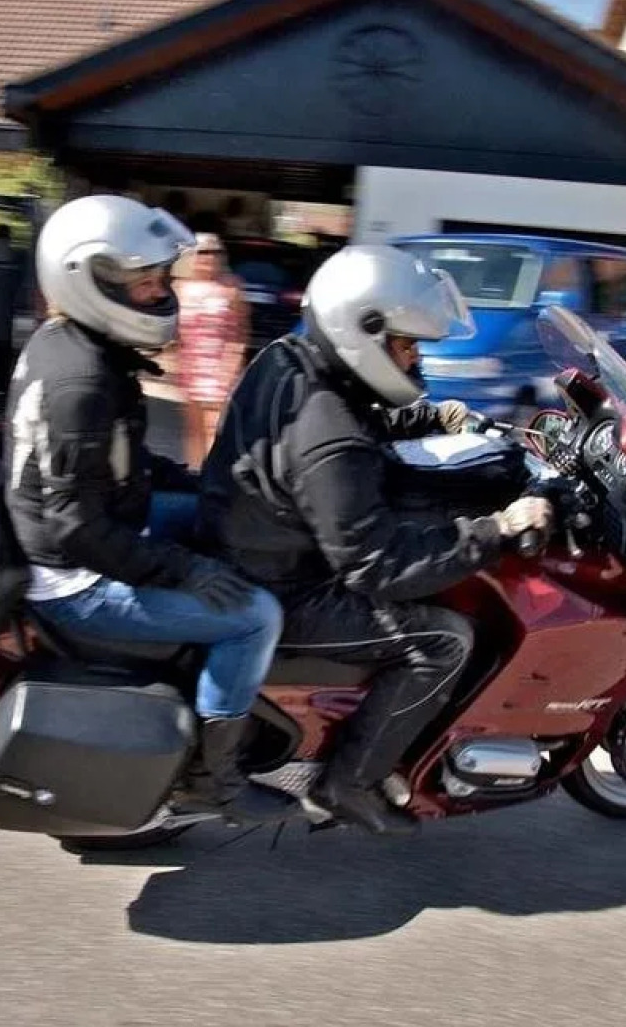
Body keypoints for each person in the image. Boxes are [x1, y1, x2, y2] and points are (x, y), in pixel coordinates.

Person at [196, 244, 553, 837]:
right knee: (445, 638)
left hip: (250, 545)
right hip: (284, 588)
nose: (415, 358)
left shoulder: (288, 358)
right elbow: (379, 566)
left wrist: (424, 418)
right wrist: (498, 529)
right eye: (407, 343)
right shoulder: (331, 440)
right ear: (361, 331)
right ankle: (349, 781)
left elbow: (352, 414)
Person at [4, 194, 295, 824]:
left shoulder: (75, 346)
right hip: (76, 580)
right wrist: (183, 571)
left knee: (221, 519)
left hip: (101, 530)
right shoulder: (81, 382)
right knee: (255, 617)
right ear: (91, 280)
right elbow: (77, 528)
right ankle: (214, 781)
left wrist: (204, 483)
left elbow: (119, 465)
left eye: (163, 278)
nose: (164, 293)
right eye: (147, 282)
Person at [173, 232, 250, 468]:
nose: (209, 257)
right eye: (203, 252)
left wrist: (231, 367)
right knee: (194, 429)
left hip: (219, 368)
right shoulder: (179, 287)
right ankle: (195, 473)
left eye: (215, 251)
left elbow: (240, 333)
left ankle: (214, 478)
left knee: (215, 429)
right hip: (191, 368)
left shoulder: (231, 287)